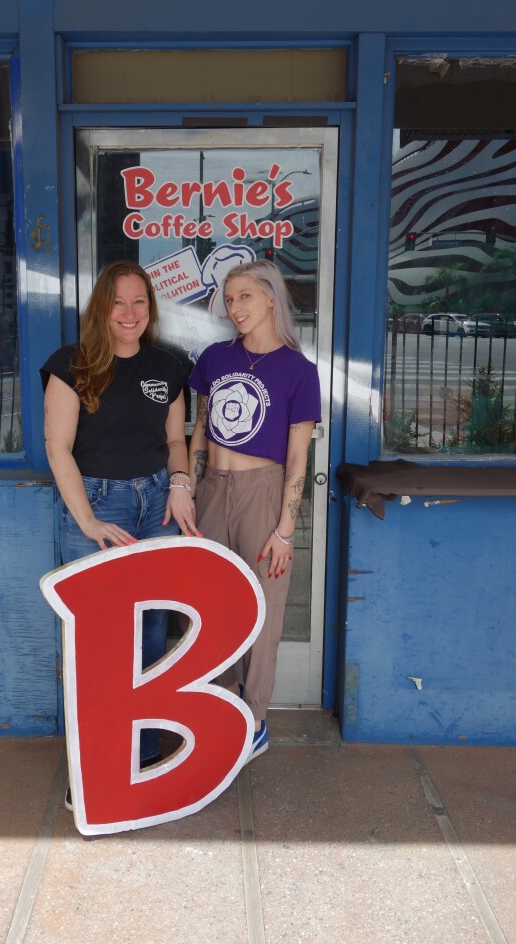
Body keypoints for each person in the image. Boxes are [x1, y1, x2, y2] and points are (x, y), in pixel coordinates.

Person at [40, 259, 199, 786]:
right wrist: (86, 521)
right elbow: (57, 448)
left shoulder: (168, 366)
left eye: (140, 302)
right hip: (97, 502)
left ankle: (144, 754)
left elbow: (176, 441)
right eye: (118, 303)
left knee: (152, 627)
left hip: (156, 503)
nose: (129, 313)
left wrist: (180, 488)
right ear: (101, 309)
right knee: (94, 637)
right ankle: (89, 767)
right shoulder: (72, 365)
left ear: (150, 309)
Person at [188, 259, 321, 763]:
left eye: (245, 296)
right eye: (229, 297)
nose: (235, 306)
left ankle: (255, 719)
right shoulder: (215, 357)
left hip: (263, 491)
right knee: (209, 605)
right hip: (211, 489)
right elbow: (200, 427)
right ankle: (215, 710)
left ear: (271, 299)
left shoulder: (298, 371)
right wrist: (194, 484)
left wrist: (285, 528)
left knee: (262, 609)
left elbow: (297, 458)